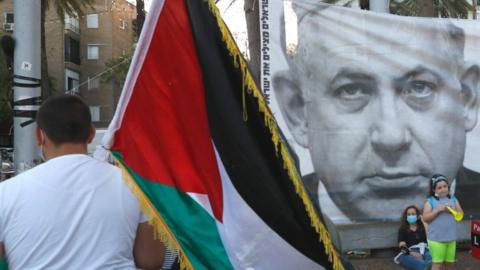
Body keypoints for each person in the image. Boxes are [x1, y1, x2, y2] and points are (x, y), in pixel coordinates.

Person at [272, 2, 480, 221]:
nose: (391, 138)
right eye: (351, 90)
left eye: (420, 88)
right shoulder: (273, 220)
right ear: (297, 110)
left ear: (466, 98)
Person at [0, 94, 165, 269]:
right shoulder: (134, 186)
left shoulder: (6, 192)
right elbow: (150, 261)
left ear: (40, 136)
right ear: (92, 134)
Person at [423, 174, 463, 270]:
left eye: (445, 186)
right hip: (436, 240)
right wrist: (437, 210)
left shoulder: (453, 199)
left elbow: (461, 215)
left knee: (450, 264)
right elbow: (425, 218)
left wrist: (454, 210)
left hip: (451, 239)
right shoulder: (430, 201)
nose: (443, 189)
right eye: (439, 187)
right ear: (434, 190)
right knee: (437, 264)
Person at [394, 205, 431, 270]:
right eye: (409, 214)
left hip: (426, 250)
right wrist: (412, 253)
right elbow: (402, 246)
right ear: (406, 216)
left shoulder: (422, 227)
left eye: (413, 214)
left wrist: (423, 221)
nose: (411, 216)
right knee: (419, 263)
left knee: (431, 259)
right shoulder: (403, 229)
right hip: (410, 251)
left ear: (417, 216)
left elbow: (430, 237)